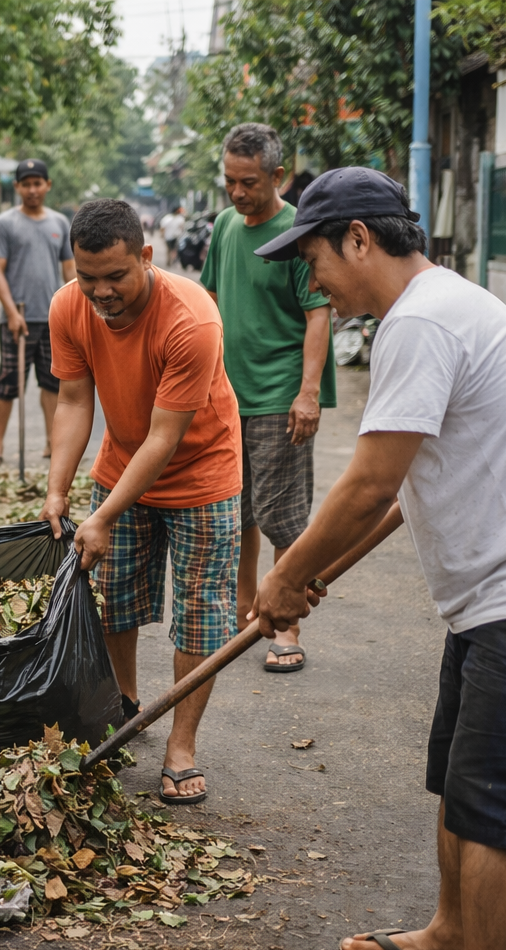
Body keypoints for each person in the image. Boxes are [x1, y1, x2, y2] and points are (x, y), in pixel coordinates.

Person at [251, 167, 506, 950]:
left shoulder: (419, 321)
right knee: (463, 780)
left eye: (314, 256)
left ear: (358, 237)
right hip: (503, 601)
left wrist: (283, 575)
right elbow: (407, 485)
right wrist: (312, 570)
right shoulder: (436, 306)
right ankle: (449, 940)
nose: (312, 280)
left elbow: (369, 484)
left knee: (496, 804)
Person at [39, 198, 242, 805]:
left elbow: (165, 436)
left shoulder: (192, 319)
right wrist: (57, 489)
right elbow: (75, 402)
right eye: (87, 276)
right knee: (114, 597)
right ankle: (125, 706)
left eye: (115, 277)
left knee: (202, 609)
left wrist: (101, 515)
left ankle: (182, 744)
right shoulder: (67, 306)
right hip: (121, 464)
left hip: (202, 474)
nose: (100, 292)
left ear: (146, 257)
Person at [200, 123, 334, 673]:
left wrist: (308, 394)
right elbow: (207, 297)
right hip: (230, 396)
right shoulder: (226, 226)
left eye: (248, 182)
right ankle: (244, 614)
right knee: (238, 514)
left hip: (280, 395)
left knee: (283, 516)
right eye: (230, 181)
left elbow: (317, 314)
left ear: (276, 176)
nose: (237, 192)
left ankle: (288, 625)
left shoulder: (295, 233)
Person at [0, 158, 75, 466]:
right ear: (17, 186)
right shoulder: (5, 223)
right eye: (26, 184)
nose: (32, 190)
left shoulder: (60, 223)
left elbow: (69, 270)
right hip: (17, 318)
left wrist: (75, 309)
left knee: (52, 382)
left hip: (53, 318)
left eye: (38, 183)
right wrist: (11, 312)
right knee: (8, 382)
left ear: (47, 186)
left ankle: (53, 442)